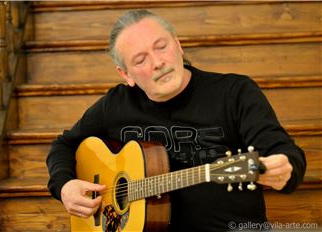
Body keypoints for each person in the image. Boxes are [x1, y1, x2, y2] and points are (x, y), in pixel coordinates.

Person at [46, 9, 306, 231]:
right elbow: (63, 145)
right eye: (140, 59)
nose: (158, 62)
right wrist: (65, 186)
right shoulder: (116, 104)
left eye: (162, 47)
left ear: (178, 45)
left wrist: (284, 167)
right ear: (126, 75)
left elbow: (285, 154)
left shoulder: (234, 93)